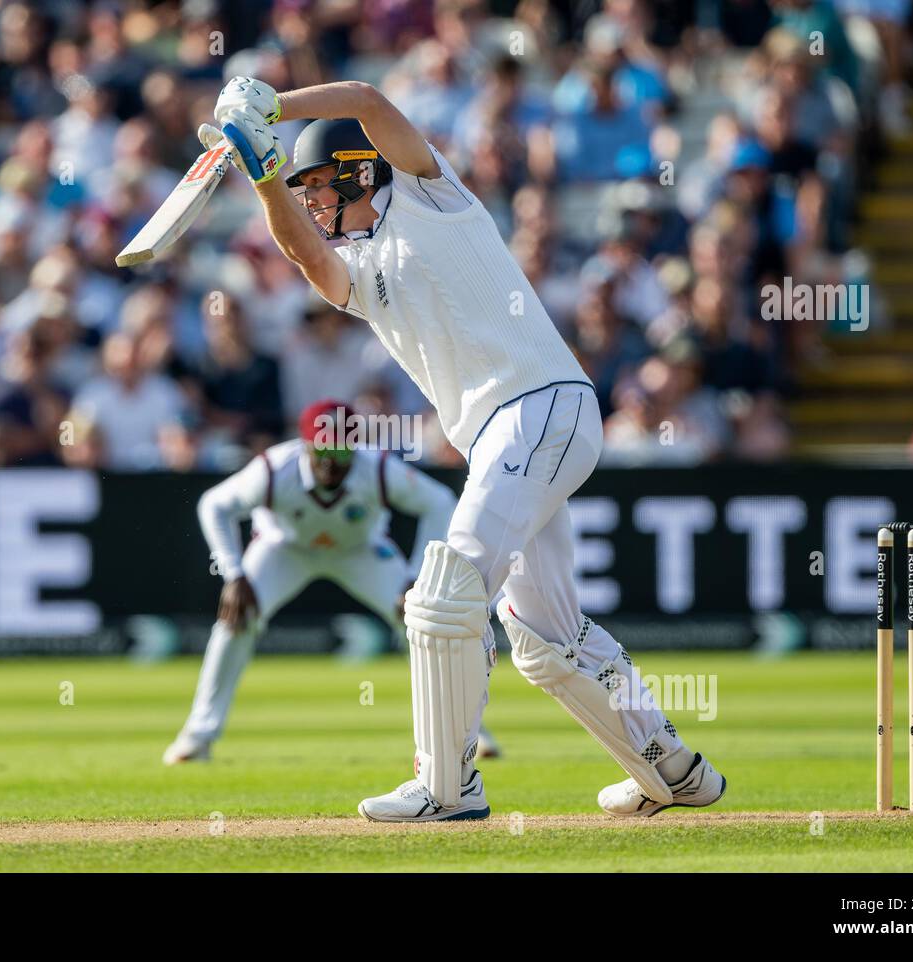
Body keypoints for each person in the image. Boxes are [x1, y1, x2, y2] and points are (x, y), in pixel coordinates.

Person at [200, 77, 726, 820]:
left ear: (358, 169)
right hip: (507, 436)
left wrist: (273, 105)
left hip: (537, 405)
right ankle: (672, 769)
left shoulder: (429, 196)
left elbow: (368, 101)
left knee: (446, 594)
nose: (312, 202)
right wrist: (262, 173)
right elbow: (303, 255)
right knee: (546, 638)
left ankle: (448, 787)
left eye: (317, 185)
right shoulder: (359, 271)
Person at [163, 399, 504, 764]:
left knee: (423, 621)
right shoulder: (275, 469)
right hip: (284, 548)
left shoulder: (377, 469)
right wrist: (233, 573)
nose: (331, 461)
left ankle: (465, 735)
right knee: (235, 621)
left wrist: (415, 578)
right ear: (306, 444)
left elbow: (438, 502)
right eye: (323, 449)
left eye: (341, 450)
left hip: (360, 551)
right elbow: (213, 505)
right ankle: (198, 737)